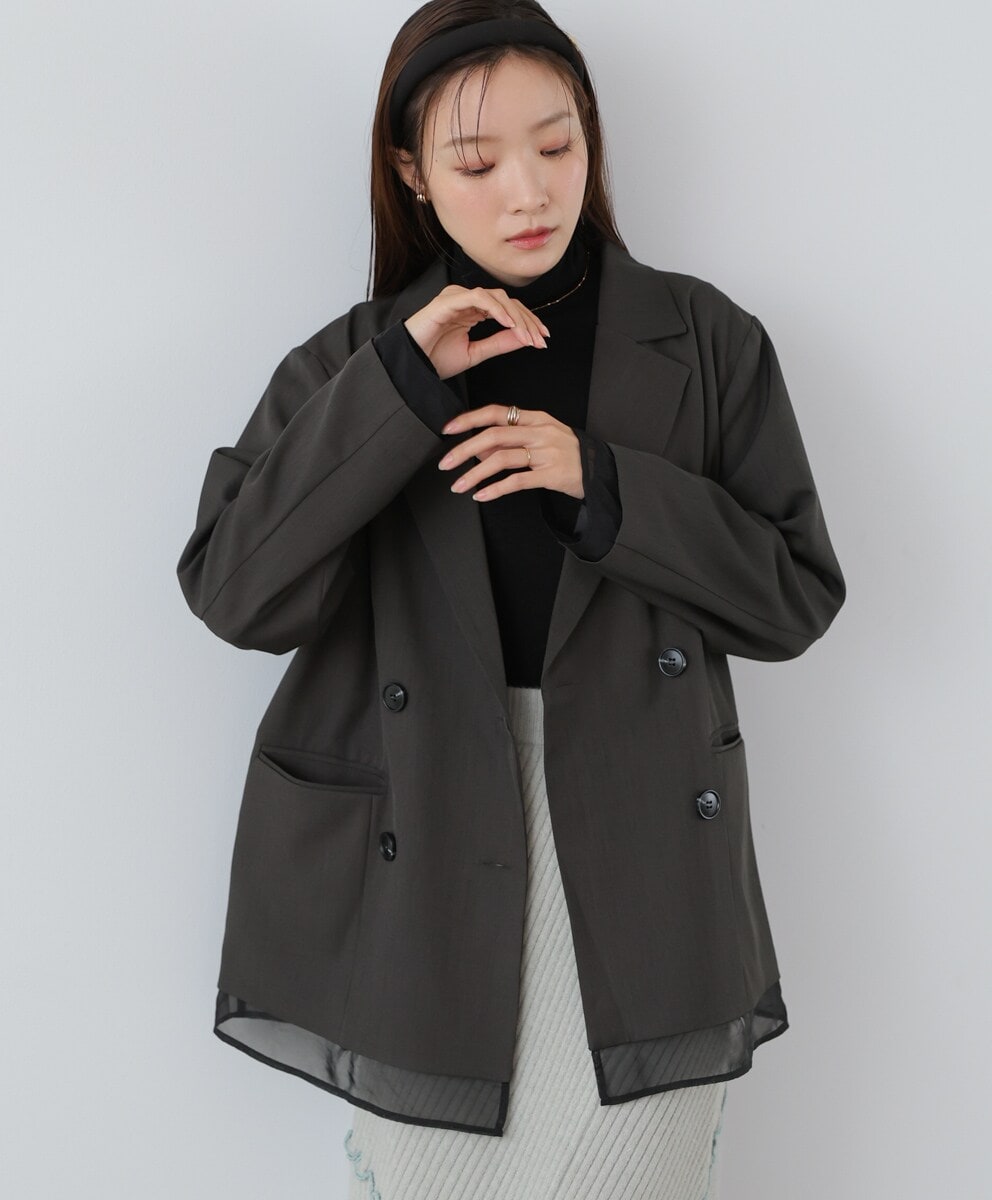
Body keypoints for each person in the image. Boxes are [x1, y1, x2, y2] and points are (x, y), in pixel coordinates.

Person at [175, 2, 846, 1197]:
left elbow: (792, 597)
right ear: (411, 173)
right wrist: (397, 389)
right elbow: (236, 593)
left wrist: (602, 484)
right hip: (424, 846)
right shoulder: (353, 362)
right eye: (477, 162)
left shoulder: (704, 340)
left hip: (642, 843)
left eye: (557, 143)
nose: (529, 192)